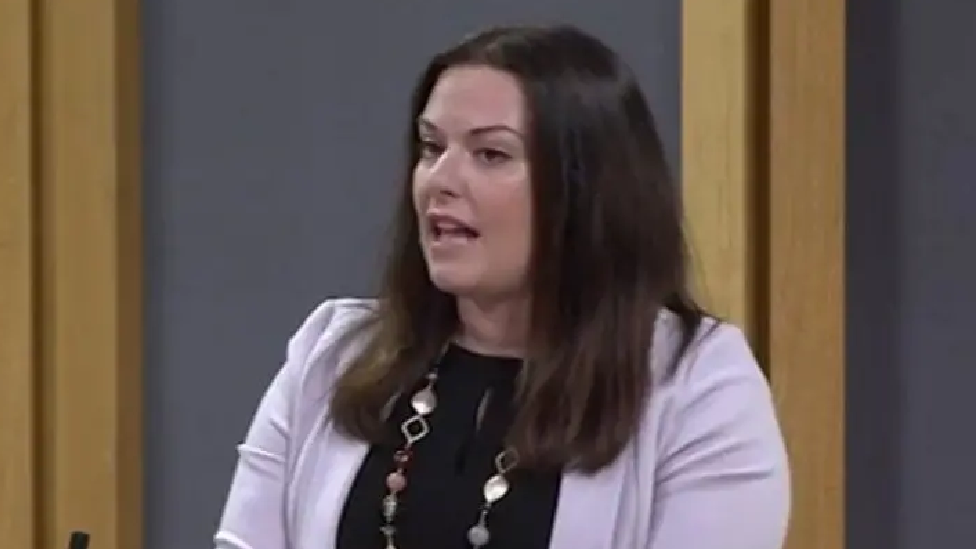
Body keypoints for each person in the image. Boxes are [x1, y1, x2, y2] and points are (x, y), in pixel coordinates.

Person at [213, 24, 790, 549]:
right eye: (432, 147)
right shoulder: (332, 354)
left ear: (585, 192)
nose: (440, 180)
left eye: (490, 154)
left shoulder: (697, 387)